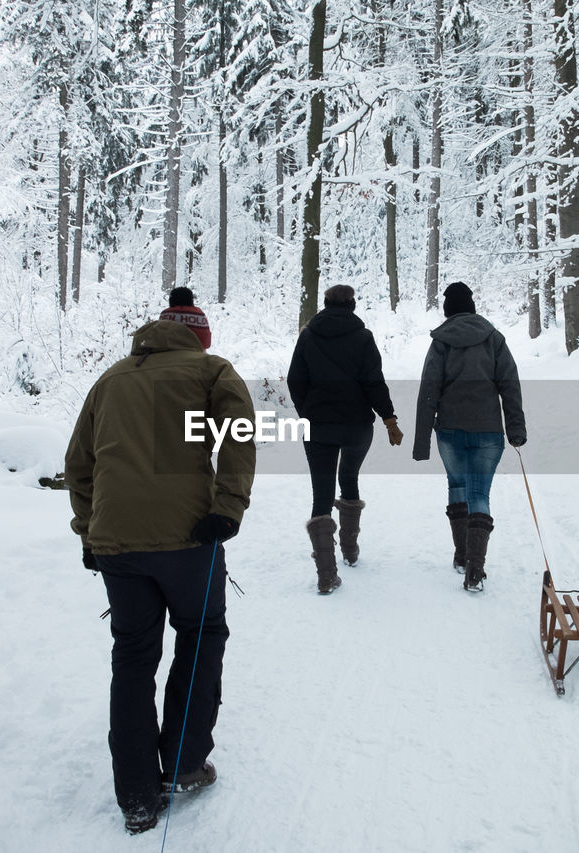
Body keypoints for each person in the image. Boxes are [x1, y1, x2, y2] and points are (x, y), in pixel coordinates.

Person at [65, 288, 256, 835]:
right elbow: (239, 438)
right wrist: (227, 509)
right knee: (200, 635)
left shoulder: (110, 380)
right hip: (187, 540)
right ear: (200, 337)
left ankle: (136, 795)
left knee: (132, 655)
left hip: (116, 544)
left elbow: (78, 466)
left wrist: (88, 531)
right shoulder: (212, 372)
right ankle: (182, 765)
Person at [287, 284, 403, 594]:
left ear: (324, 304)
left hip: (318, 427)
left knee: (321, 495)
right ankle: (350, 551)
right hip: (357, 426)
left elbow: (294, 380)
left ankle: (326, 575)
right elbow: (374, 383)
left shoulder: (308, 336)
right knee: (349, 478)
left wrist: (306, 411)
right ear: (352, 305)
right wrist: (388, 416)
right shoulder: (363, 337)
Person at [412, 281, 526, 592]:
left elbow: (428, 392)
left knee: (458, 486)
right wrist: (515, 428)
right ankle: (475, 568)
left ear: (448, 311)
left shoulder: (441, 342)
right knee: (480, 495)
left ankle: (462, 556)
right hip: (488, 431)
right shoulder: (494, 339)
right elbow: (510, 385)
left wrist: (422, 439)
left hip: (450, 432)